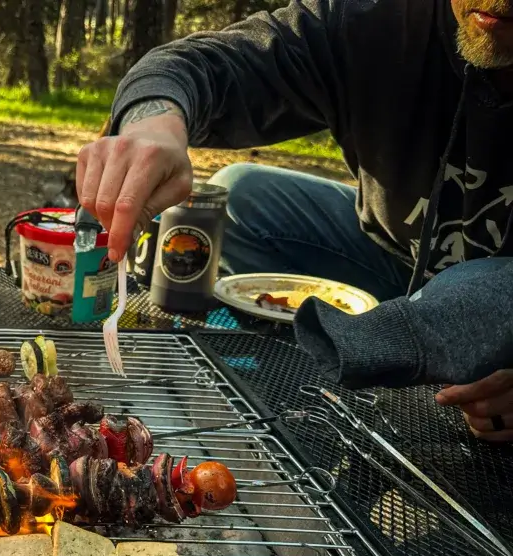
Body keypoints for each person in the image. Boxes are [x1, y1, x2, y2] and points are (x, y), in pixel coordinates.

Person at [76, 0, 513, 440]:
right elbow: (199, 65)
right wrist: (152, 125)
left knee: (482, 282)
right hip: (397, 261)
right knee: (245, 197)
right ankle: (301, 416)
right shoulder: (378, 19)